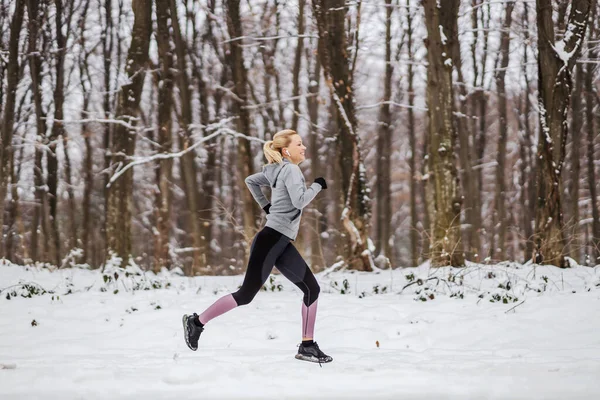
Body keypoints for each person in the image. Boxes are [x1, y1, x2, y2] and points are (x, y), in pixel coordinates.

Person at [182, 129, 332, 364]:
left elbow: (250, 181)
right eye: (299, 144)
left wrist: (266, 206)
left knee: (311, 289)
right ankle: (196, 322)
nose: (303, 148)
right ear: (286, 151)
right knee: (245, 295)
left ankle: (307, 345)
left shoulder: (278, 171)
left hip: (280, 241)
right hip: (272, 239)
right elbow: (299, 201)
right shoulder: (291, 170)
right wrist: (317, 186)